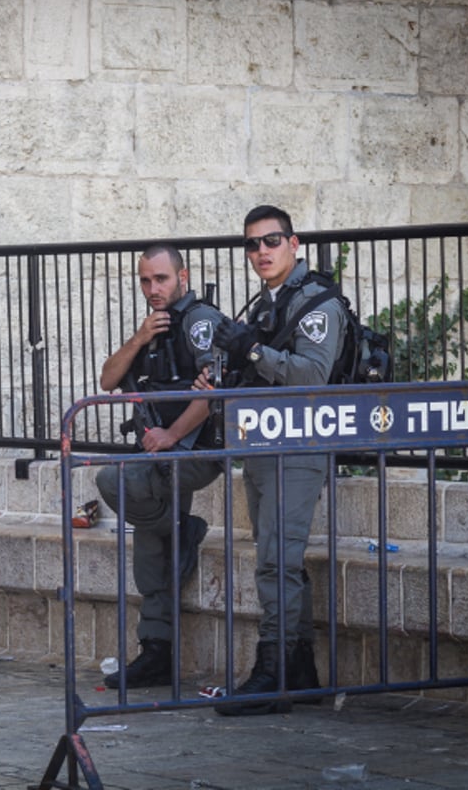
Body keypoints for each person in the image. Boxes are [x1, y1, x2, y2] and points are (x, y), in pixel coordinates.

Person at [198, 204, 343, 715]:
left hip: (300, 446)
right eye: (253, 244)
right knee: (280, 560)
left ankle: (273, 668)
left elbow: (310, 378)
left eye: (272, 240)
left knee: (276, 563)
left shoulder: (317, 304)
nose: (262, 251)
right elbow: (258, 373)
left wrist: (252, 351)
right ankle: (300, 673)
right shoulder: (266, 306)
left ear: (294, 243)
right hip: (263, 445)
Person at [95, 243, 227, 689]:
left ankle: (180, 531)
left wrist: (172, 435)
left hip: (194, 452)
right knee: (154, 536)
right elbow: (107, 380)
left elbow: (215, 391)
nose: (153, 288)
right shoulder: (153, 329)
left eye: (162, 279)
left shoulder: (199, 323)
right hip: (161, 456)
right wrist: (138, 338)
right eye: (146, 280)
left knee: (112, 479)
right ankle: (156, 650)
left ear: (182, 277)